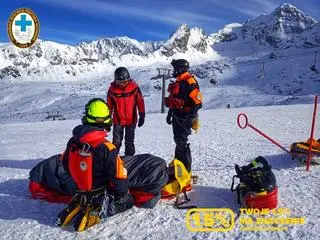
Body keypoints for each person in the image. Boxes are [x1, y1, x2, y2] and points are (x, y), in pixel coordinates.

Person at [56, 98, 134, 231]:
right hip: (100, 190)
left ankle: (79, 202)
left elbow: (64, 162)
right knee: (128, 201)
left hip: (78, 188)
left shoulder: (73, 141)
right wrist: (123, 194)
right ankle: (98, 208)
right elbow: (118, 176)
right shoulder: (107, 148)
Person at [165, 59, 202, 173]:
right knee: (178, 140)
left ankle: (186, 169)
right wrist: (170, 113)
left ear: (181, 69)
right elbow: (174, 100)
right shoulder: (178, 82)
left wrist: (189, 118)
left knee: (182, 142)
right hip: (177, 115)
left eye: (175, 69)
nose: (174, 71)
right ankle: (178, 164)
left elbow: (198, 103)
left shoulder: (189, 82)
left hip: (185, 117)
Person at [107, 67, 145, 156]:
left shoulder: (134, 87)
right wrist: (107, 120)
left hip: (131, 120)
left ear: (128, 79)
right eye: (119, 82)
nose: (122, 84)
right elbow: (109, 106)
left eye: (124, 82)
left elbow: (140, 101)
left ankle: (130, 158)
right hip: (118, 120)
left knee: (129, 141)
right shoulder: (112, 89)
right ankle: (113, 159)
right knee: (116, 142)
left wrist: (142, 114)